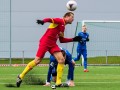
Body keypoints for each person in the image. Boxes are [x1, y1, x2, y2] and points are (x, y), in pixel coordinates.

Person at [16, 12, 81, 87]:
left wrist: (73, 39)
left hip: (53, 44)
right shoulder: (60, 21)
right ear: (67, 16)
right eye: (72, 17)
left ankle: (58, 83)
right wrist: (43, 21)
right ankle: (20, 76)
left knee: (61, 60)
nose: (73, 19)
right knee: (37, 61)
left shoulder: (63, 27)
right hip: (45, 42)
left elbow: (62, 40)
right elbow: (50, 19)